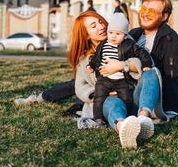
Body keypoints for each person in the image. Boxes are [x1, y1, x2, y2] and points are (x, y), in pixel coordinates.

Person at [68, 10, 167, 148]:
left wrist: (121, 65)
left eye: (101, 21)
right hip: (109, 99)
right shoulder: (84, 60)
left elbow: (145, 60)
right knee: (111, 102)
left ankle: (143, 118)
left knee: (153, 72)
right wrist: (101, 92)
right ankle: (123, 128)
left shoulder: (125, 41)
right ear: (86, 35)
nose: (101, 26)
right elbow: (80, 87)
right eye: (93, 25)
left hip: (132, 95)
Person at [87, 13, 152, 125]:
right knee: (99, 98)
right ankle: (98, 119)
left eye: (118, 34)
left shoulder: (129, 45)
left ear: (125, 35)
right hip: (104, 80)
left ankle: (129, 117)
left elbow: (142, 53)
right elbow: (96, 57)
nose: (113, 36)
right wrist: (91, 65)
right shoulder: (103, 44)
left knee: (126, 97)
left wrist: (146, 64)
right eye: (110, 33)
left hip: (121, 80)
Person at [129, 0, 178, 117]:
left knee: (150, 72)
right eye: (143, 9)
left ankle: (143, 116)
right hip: (129, 92)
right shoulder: (133, 34)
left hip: (153, 98)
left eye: (152, 11)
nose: (145, 14)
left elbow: (172, 77)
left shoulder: (170, 39)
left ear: (164, 16)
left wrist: (171, 109)